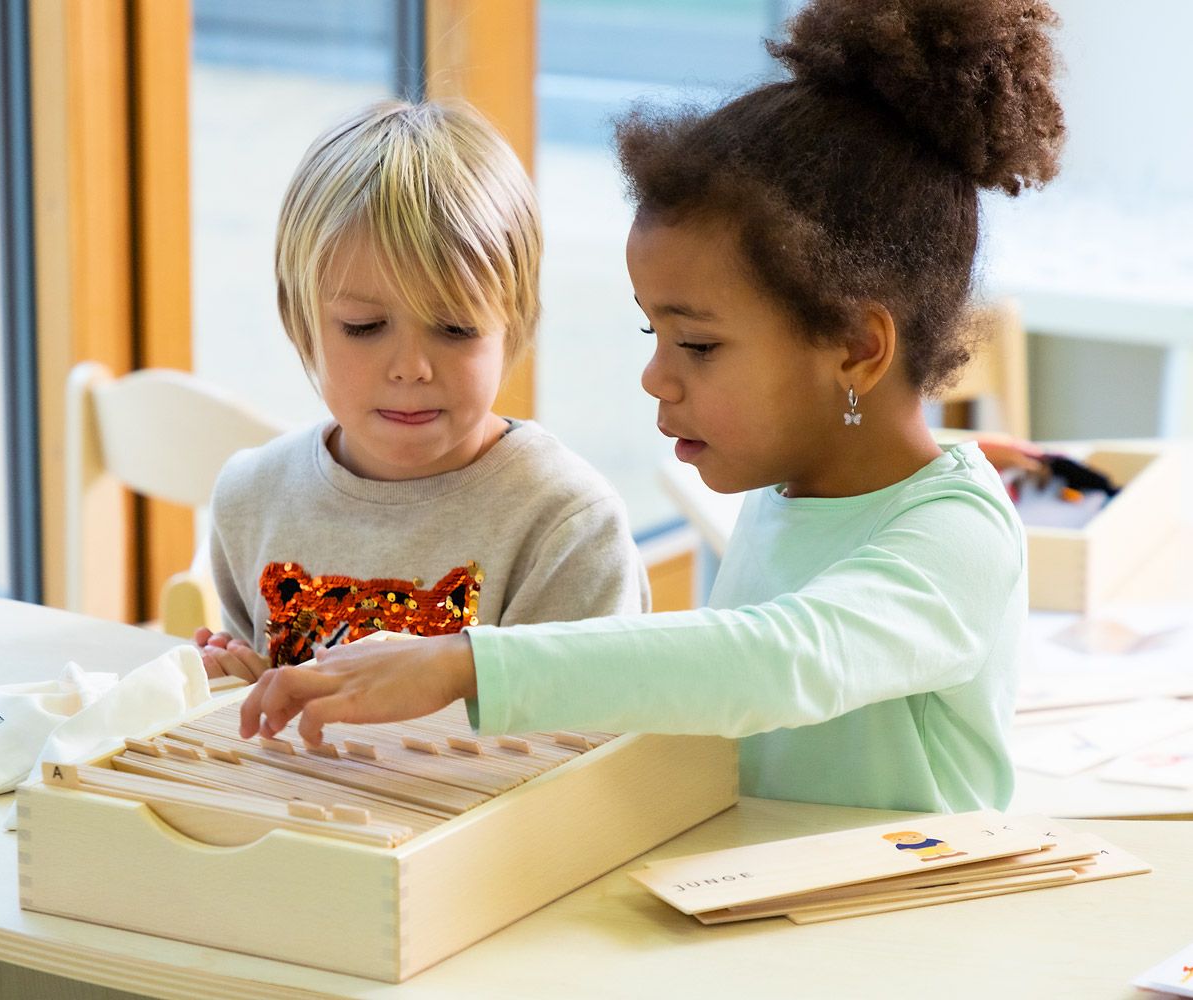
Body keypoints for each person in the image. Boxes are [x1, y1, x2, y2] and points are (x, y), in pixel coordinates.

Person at [235, 0, 1066, 814]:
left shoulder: (959, 534)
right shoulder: (795, 492)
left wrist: (466, 664)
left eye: (697, 346)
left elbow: (779, 662)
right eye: (652, 332)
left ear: (854, 348)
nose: (654, 379)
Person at [198, 100, 649, 680]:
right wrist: (238, 691)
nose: (411, 368)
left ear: (516, 325)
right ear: (299, 319)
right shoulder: (250, 498)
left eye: (456, 329)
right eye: (364, 326)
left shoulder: (568, 528)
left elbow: (579, 754)